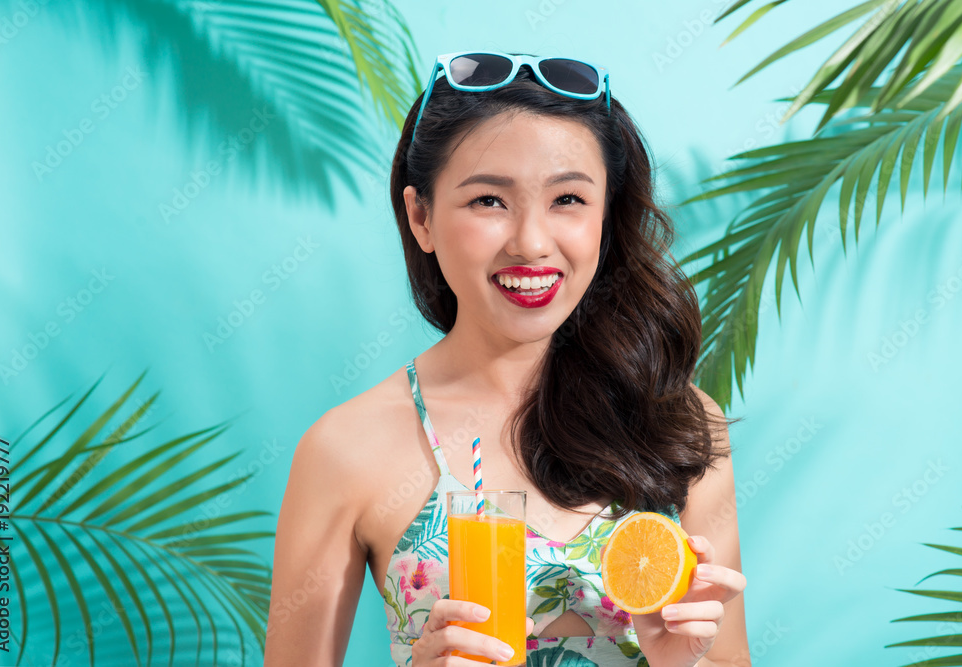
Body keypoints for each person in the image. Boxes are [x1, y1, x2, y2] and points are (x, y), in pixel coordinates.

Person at [264, 51, 749, 667]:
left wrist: (681, 661)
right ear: (422, 218)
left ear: (606, 214)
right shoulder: (345, 449)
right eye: (489, 201)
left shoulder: (679, 424)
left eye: (568, 199)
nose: (531, 243)